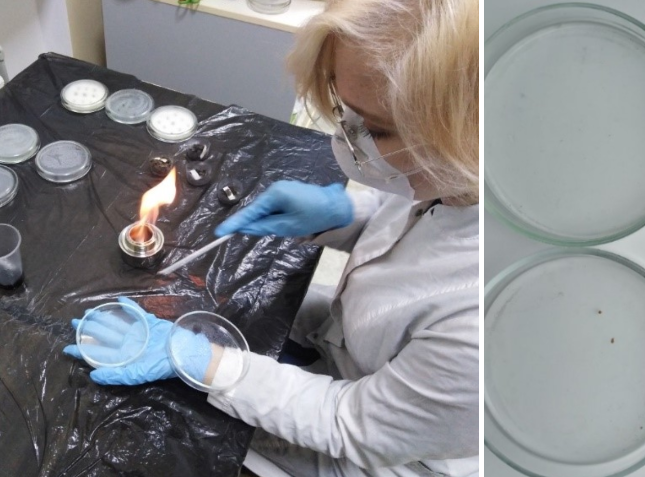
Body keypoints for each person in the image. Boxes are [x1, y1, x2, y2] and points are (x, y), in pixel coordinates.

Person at [62, 0, 479, 475]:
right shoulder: (464, 185)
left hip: (378, 446)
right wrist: (341, 214)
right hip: (348, 339)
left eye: (377, 129)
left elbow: (352, 424)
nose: (347, 138)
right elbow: (431, 224)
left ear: (465, 134)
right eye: (345, 111)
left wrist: (198, 360)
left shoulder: (481, 326)